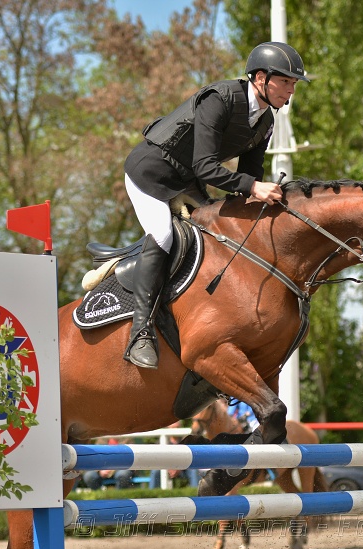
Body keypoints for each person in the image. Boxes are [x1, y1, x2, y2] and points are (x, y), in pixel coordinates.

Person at [121, 42, 310, 369]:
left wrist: (261, 201)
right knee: (165, 235)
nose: (291, 91)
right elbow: (206, 167)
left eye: (294, 84)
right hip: (150, 173)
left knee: (220, 233)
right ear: (261, 78)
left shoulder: (266, 121)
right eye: (287, 82)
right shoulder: (219, 100)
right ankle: (140, 333)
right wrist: (253, 187)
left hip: (186, 181)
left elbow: (250, 175)